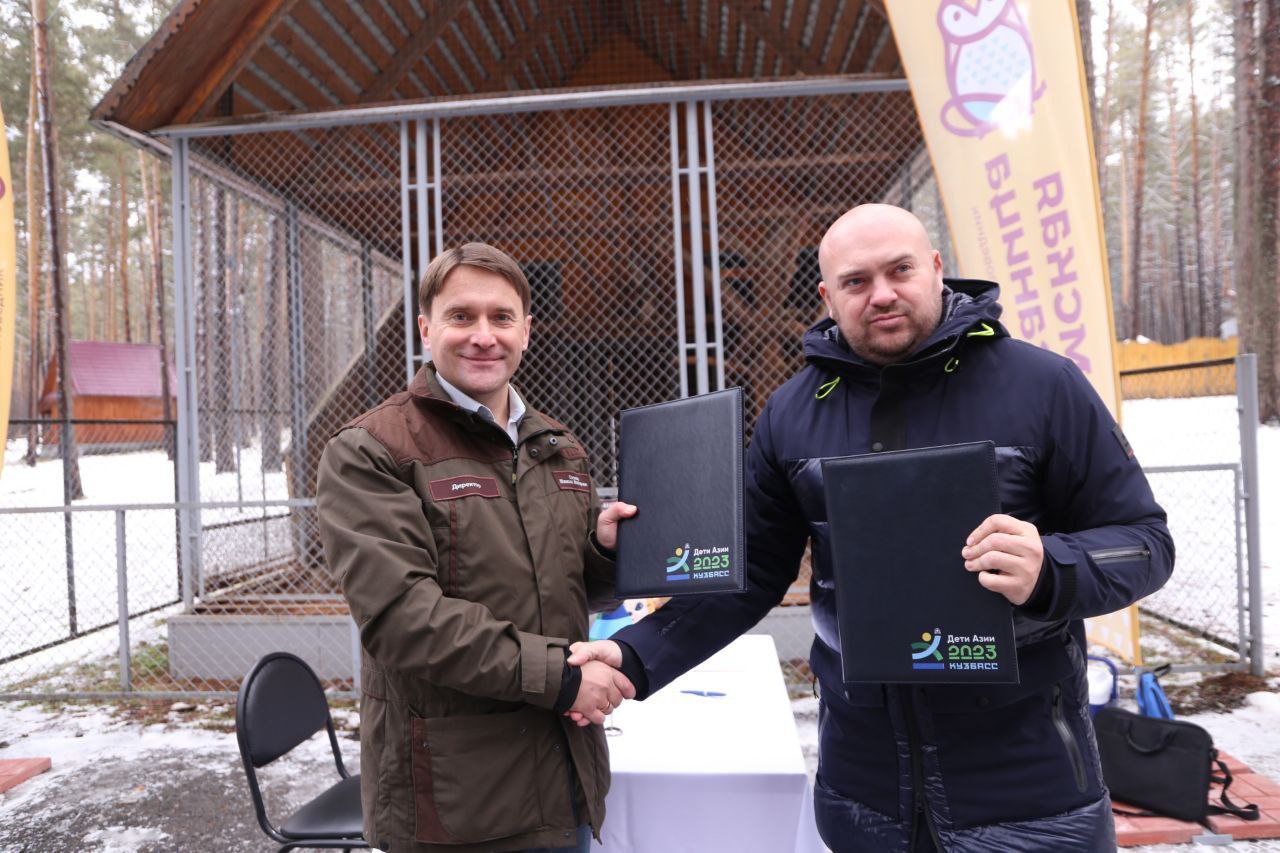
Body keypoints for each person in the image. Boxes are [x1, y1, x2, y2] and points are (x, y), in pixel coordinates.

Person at [568, 204, 1175, 851]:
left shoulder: (1043, 384)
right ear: (828, 297)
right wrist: (638, 652)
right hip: (865, 792)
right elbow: (751, 572)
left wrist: (1051, 568)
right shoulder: (792, 413)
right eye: (856, 281)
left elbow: (1145, 541)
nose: (881, 294)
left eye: (899, 270)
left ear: (936, 268)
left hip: (1028, 784)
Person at [316, 242, 637, 853]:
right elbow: (404, 620)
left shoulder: (557, 445)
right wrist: (562, 678)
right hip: (457, 800)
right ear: (426, 328)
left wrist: (606, 553)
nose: (483, 336)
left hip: (565, 773)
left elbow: (571, 591)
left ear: (526, 331)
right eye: (461, 316)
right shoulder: (372, 450)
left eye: (501, 317)